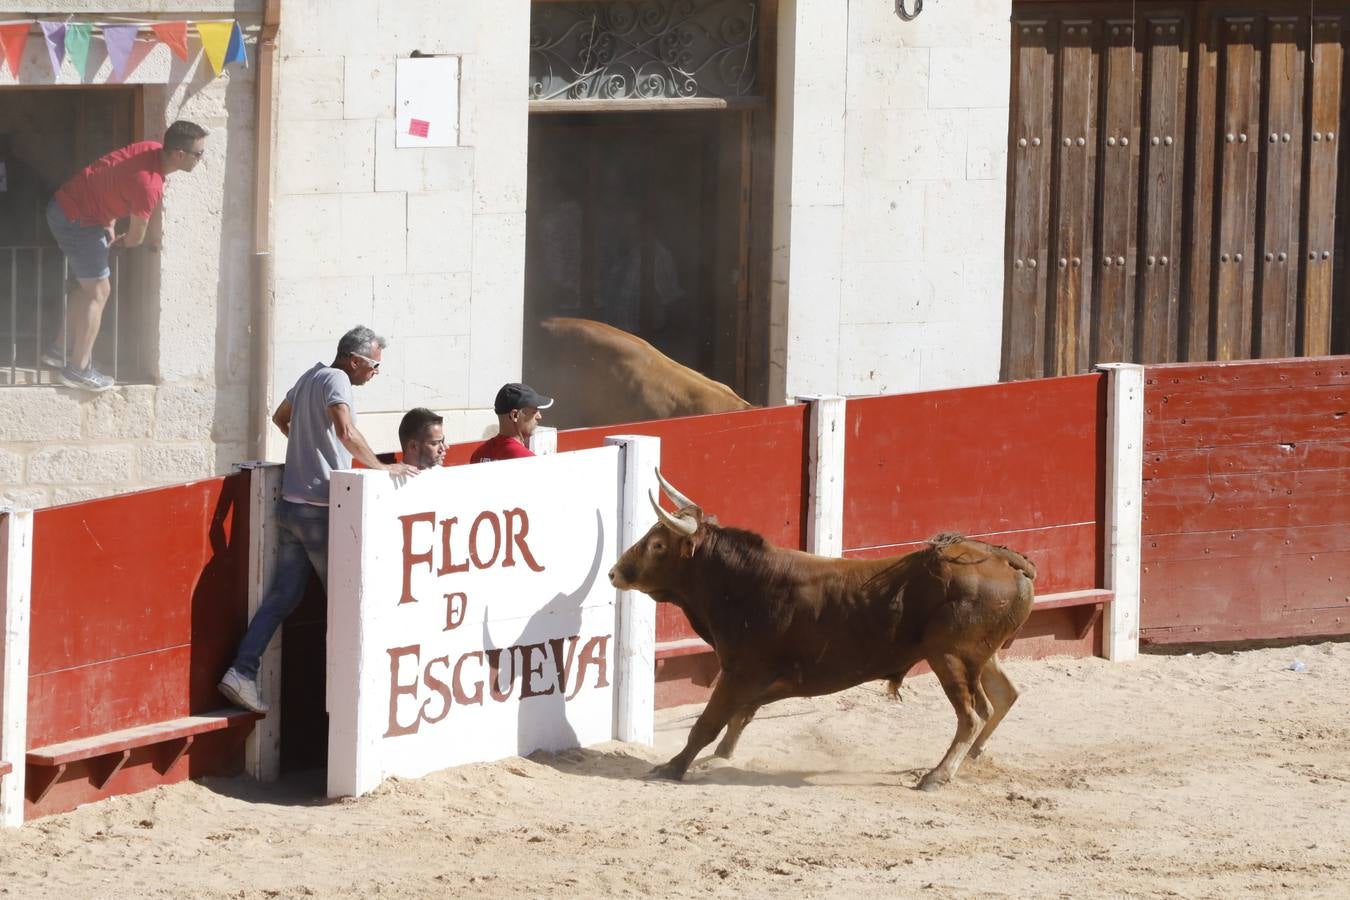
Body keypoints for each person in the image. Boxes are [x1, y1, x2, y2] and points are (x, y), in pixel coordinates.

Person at [218, 326, 420, 714]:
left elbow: (281, 418)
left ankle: (241, 671)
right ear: (356, 359)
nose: (375, 372)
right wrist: (381, 467)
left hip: (291, 506)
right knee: (346, 601)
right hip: (321, 509)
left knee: (282, 598)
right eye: (375, 365)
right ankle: (353, 698)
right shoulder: (337, 379)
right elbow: (345, 430)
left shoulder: (309, 375)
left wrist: (308, 444)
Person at [44, 120, 209, 391]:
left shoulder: (150, 149)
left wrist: (108, 222)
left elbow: (107, 177)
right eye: (199, 154)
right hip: (77, 219)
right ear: (180, 154)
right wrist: (124, 242)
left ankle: (58, 350)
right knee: (99, 291)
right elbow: (136, 236)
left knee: (89, 288)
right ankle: (78, 369)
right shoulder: (150, 186)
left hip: (71, 207)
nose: (201, 159)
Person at [469, 382, 553, 463]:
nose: (539, 416)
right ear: (515, 415)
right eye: (534, 411)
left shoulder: (477, 455)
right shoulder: (528, 460)